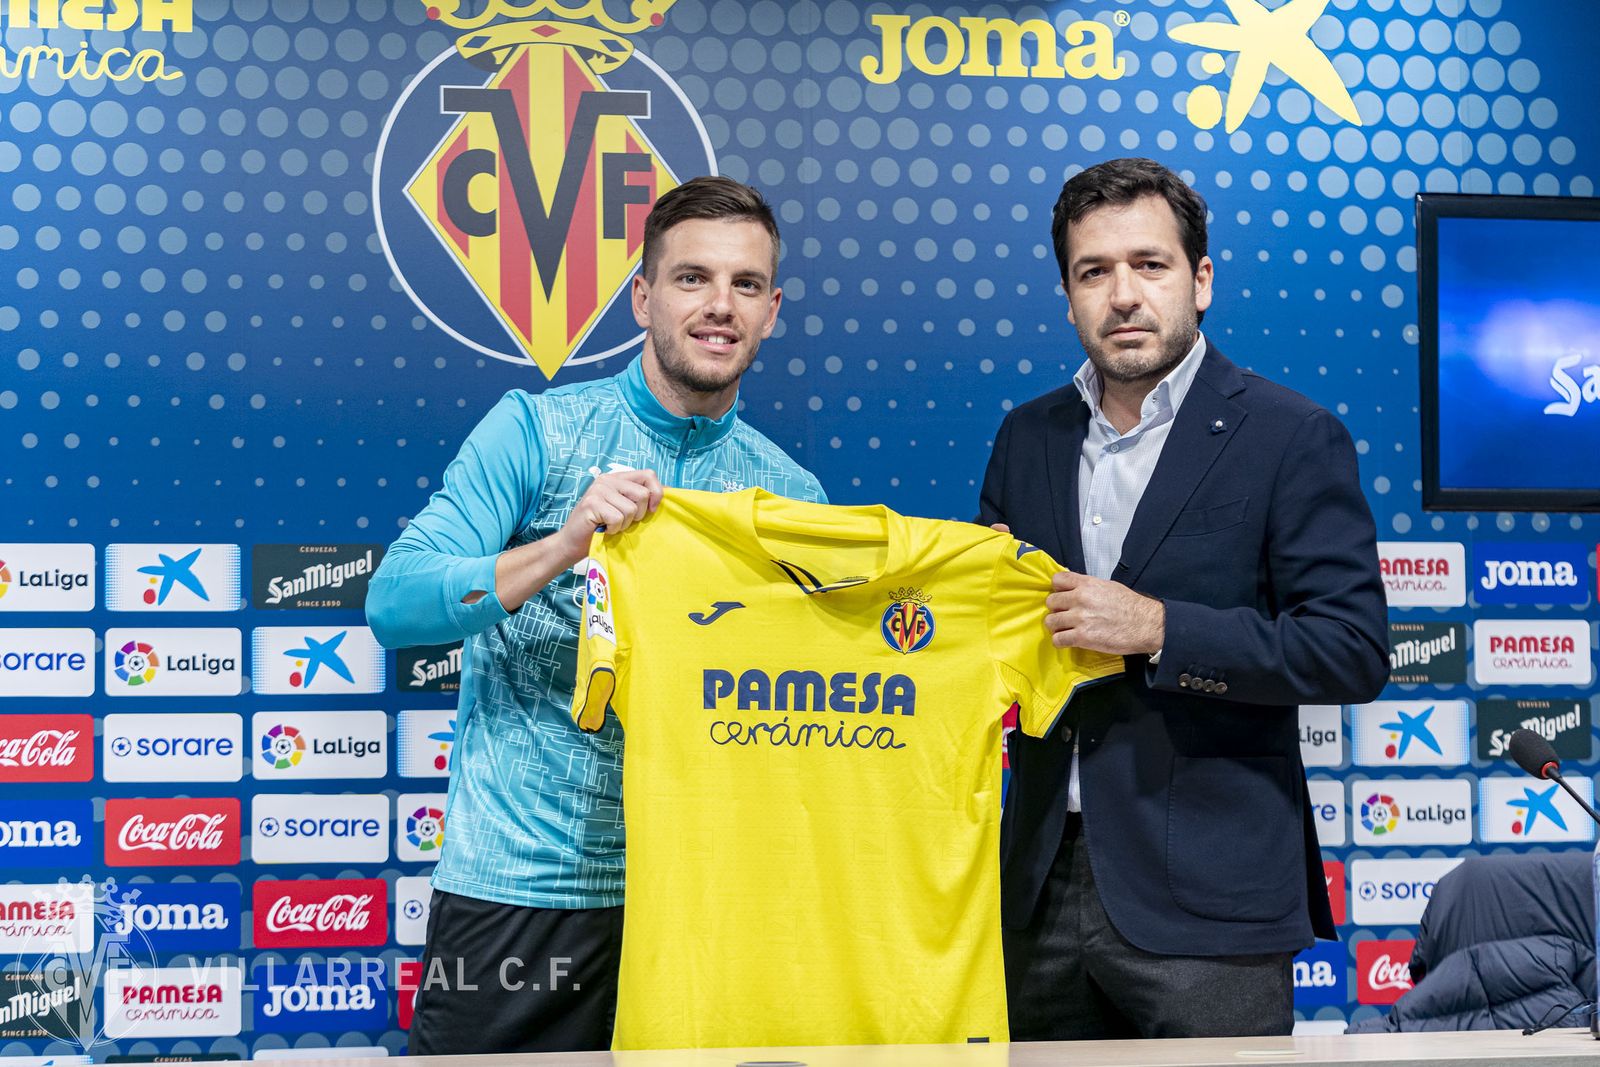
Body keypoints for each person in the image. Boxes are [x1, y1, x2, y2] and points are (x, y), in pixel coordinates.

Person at [366, 176, 826, 1054]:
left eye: (745, 285)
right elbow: (395, 601)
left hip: (701, 905)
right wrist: (566, 544)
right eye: (692, 279)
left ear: (772, 310)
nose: (719, 306)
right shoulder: (536, 432)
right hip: (521, 894)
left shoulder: (793, 496)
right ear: (644, 297)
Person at [978, 157, 1388, 1039]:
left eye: (1149, 265)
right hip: (1037, 889)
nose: (1123, 294)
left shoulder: (1291, 434)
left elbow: (1351, 646)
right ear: (1068, 294)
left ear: (1200, 281)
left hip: (1213, 903)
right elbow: (991, 630)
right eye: (1095, 272)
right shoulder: (1027, 436)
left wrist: (1161, 629)